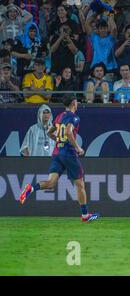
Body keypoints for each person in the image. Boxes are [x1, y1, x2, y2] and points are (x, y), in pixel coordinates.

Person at [19, 94, 100, 223]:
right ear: (74, 103)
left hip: (57, 153)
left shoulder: (59, 116)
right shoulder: (74, 117)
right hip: (68, 154)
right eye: (77, 102)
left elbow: (49, 132)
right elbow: (68, 132)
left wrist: (59, 141)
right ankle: (85, 215)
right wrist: (78, 148)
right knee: (80, 184)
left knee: (51, 183)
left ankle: (31, 188)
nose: (77, 104)